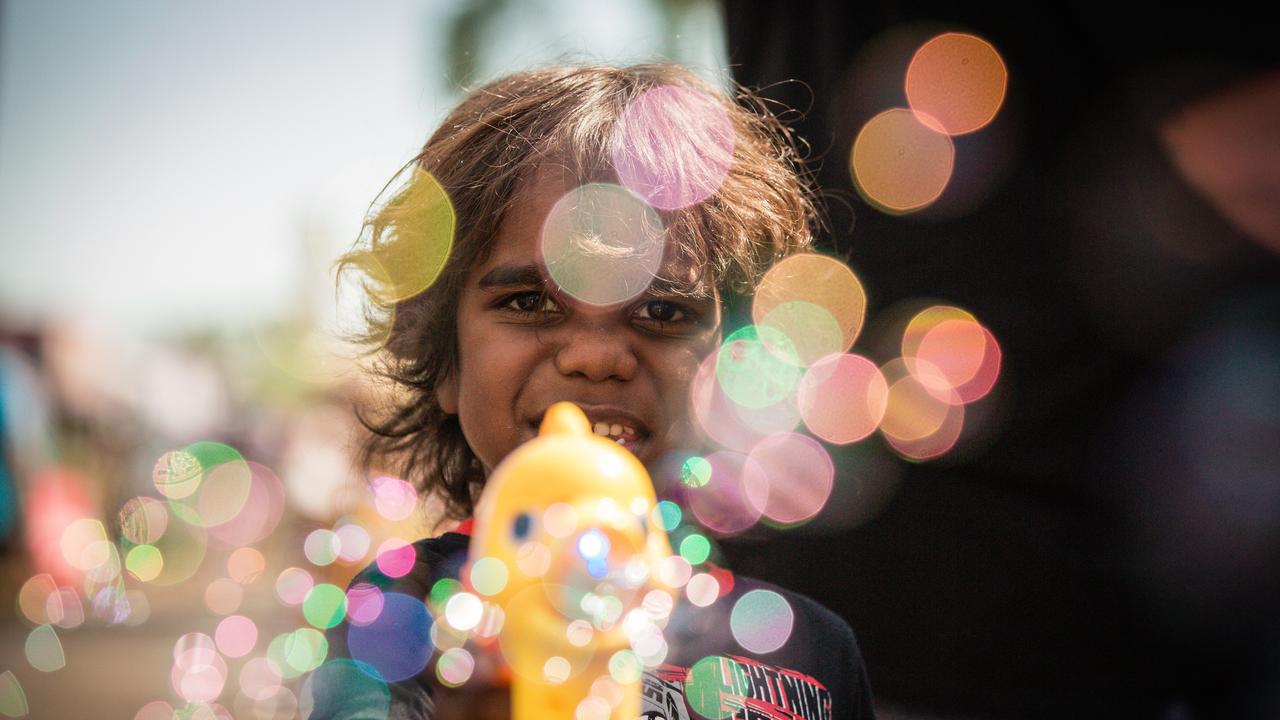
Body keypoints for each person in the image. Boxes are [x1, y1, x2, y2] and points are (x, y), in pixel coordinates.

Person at [310, 64, 876, 720]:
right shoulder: (405, 613)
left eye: (662, 311)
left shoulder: (811, 652)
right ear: (443, 359)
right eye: (528, 301)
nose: (596, 357)